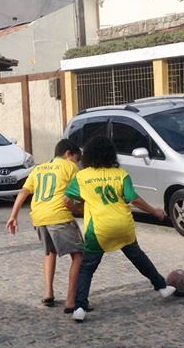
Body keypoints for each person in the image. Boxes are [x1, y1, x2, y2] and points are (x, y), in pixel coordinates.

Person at [63, 136, 176, 322]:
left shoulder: (82, 177)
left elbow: (67, 200)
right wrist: (154, 211)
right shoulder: (121, 174)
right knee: (138, 257)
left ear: (88, 155)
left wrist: (80, 208)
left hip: (99, 229)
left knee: (87, 268)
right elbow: (134, 199)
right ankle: (162, 287)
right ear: (111, 154)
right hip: (123, 225)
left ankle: (80, 307)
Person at [6, 139, 84, 313]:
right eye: (76, 159)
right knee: (79, 255)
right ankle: (71, 300)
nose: (77, 163)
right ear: (68, 154)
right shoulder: (69, 167)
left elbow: (24, 191)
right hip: (58, 214)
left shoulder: (39, 168)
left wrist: (13, 215)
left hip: (39, 216)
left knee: (50, 252)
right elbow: (81, 193)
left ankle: (48, 292)